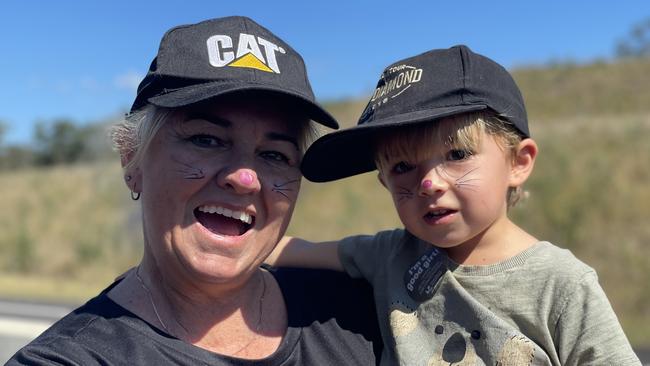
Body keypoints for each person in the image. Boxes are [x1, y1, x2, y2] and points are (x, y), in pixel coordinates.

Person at [7, 16, 382, 365]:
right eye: (206, 139)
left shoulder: (361, 312)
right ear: (132, 161)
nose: (245, 178)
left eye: (274, 154)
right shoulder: (70, 358)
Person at [266, 45, 641, 365]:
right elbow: (285, 249)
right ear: (384, 182)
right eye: (402, 167)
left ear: (518, 162)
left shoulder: (562, 284)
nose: (429, 183)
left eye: (457, 154)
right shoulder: (390, 255)